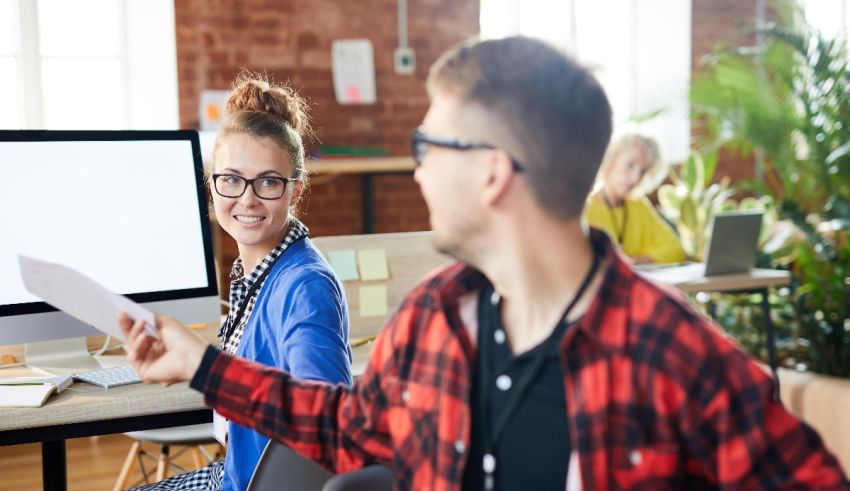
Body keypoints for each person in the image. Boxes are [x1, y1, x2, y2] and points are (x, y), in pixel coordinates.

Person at [120, 37, 849, 490]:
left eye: (428, 149)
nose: (417, 174)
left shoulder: (672, 352)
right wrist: (201, 365)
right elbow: (349, 431)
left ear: (493, 173)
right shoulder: (435, 319)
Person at [136, 74, 353, 491]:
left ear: (295, 191)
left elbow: (325, 419)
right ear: (213, 185)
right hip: (234, 474)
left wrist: (204, 367)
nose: (247, 198)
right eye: (232, 179)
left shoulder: (305, 286)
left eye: (268, 181)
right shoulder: (256, 273)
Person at [584, 133, 687, 264]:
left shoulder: (638, 205)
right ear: (611, 157)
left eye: (643, 171)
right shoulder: (585, 208)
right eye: (630, 165)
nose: (635, 178)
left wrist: (635, 261)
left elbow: (676, 249)